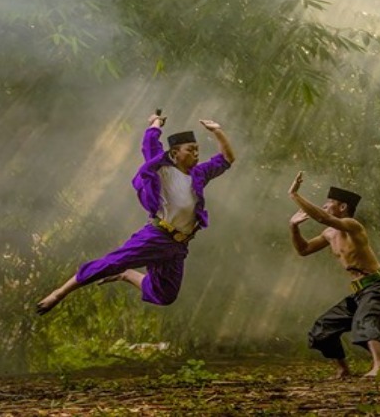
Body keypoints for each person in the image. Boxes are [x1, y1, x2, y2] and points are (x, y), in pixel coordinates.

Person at [36, 110, 235, 315]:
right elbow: (150, 145)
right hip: (156, 236)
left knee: (166, 295)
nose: (196, 154)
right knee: (111, 263)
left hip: (178, 246)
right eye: (190, 150)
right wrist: (155, 123)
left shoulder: (199, 174)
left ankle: (128, 275)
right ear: (175, 153)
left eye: (197, 150)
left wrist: (217, 131)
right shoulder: (162, 170)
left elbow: (227, 158)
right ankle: (59, 293)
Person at [287, 171, 380, 378]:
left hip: (377, 286)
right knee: (323, 328)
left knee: (365, 321)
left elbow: (321, 217)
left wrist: (295, 195)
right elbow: (303, 250)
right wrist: (293, 227)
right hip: (359, 292)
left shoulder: (352, 226)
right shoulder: (329, 234)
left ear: (343, 207)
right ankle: (343, 370)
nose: (325, 206)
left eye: (329, 202)